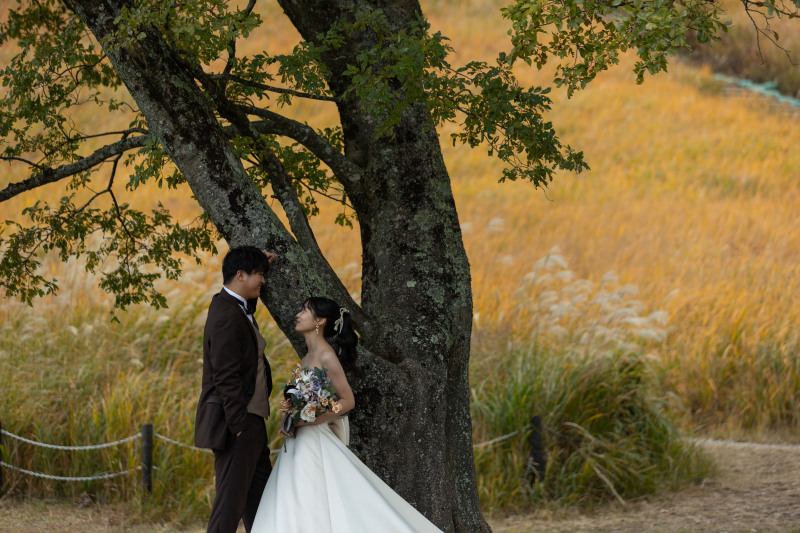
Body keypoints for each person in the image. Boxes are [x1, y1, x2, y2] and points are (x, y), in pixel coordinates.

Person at [250, 297, 443, 532]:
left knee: (311, 497)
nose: (298, 314)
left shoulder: (326, 356)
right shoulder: (307, 358)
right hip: (298, 439)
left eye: (305, 310)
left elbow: (347, 401)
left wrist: (312, 417)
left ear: (319, 321)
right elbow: (300, 399)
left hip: (315, 439)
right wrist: (290, 417)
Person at [194, 246, 276, 533]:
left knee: (264, 503)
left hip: (251, 423)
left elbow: (247, 310)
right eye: (259, 275)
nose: (263, 281)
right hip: (237, 425)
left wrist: (257, 261)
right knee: (229, 508)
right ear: (240, 275)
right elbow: (224, 374)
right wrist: (239, 425)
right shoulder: (226, 314)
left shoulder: (235, 307)